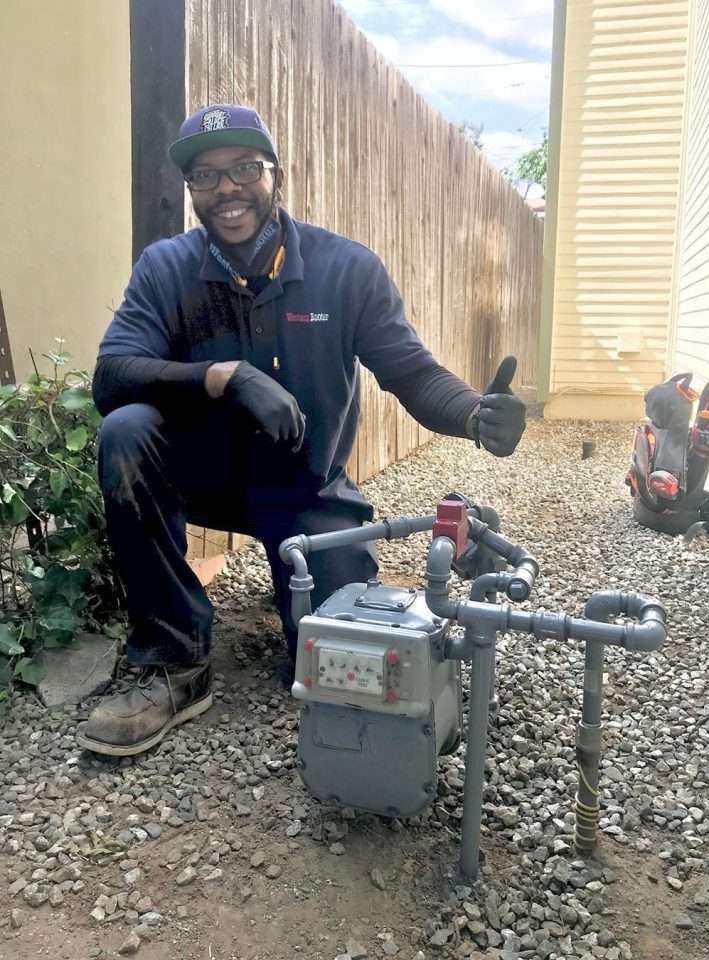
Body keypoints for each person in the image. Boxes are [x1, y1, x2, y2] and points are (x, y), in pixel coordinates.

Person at [77, 104, 526, 757]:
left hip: (306, 490)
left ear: (276, 175)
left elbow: (412, 373)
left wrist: (472, 414)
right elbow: (112, 376)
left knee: (334, 663)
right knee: (126, 430)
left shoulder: (345, 269)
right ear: (192, 190)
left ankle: (303, 578)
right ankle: (174, 659)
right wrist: (224, 376)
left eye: (243, 169)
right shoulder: (166, 267)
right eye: (206, 176)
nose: (226, 189)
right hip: (201, 476)